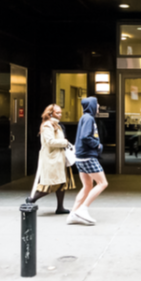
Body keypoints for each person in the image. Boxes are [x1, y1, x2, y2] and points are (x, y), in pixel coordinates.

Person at [26, 104, 76, 214]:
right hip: (52, 159)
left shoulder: (57, 125)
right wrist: (65, 142)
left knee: (62, 183)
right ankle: (31, 199)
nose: (60, 115)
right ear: (50, 114)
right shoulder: (47, 126)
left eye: (60, 113)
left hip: (59, 159)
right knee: (50, 184)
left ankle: (60, 207)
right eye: (57, 113)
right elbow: (50, 142)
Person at [68, 97, 106, 226]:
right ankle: (83, 210)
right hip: (87, 156)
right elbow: (85, 136)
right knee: (102, 183)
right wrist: (97, 145)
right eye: (97, 104)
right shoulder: (89, 118)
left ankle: (73, 214)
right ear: (92, 106)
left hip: (80, 156)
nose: (98, 106)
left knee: (87, 186)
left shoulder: (84, 117)